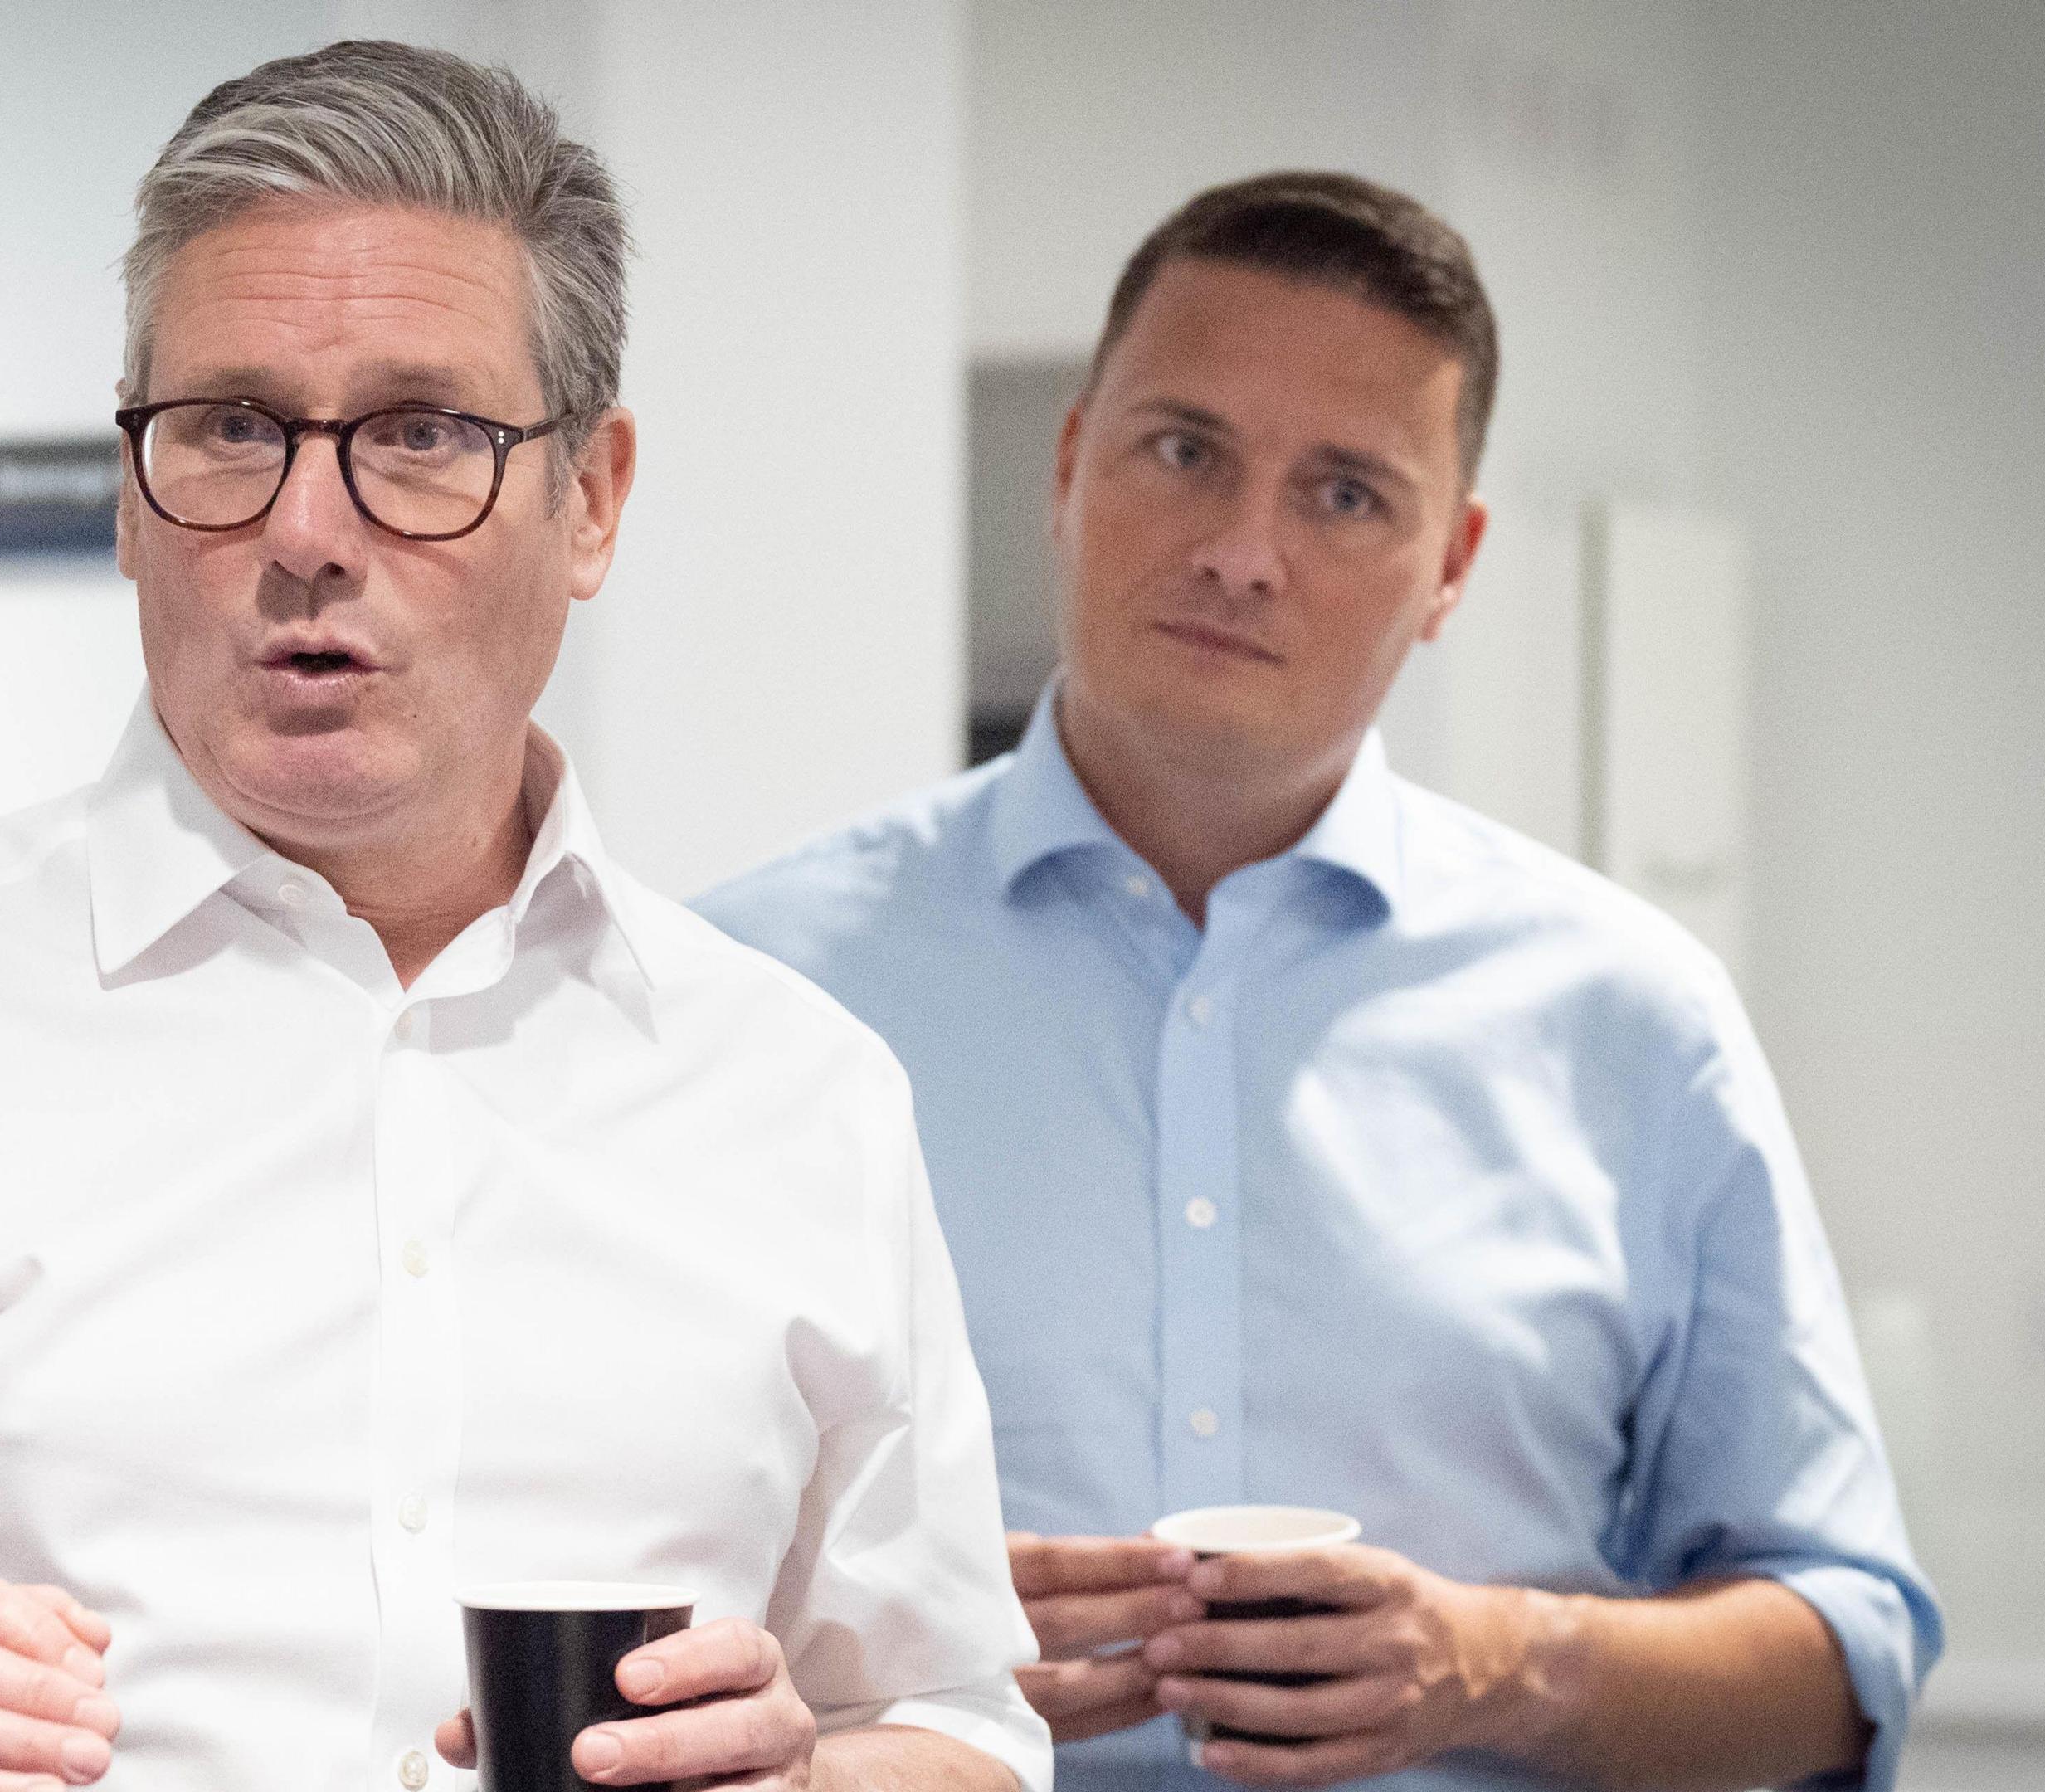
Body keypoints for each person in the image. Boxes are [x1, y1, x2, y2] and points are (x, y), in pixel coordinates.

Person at [0, 40, 1043, 1792]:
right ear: (128, 488)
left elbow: (954, 1720)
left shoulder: (800, 1092)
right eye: (229, 427)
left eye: (420, 435)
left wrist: (812, 1784)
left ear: (593, 499)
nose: (305, 529)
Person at [699, 171, 1940, 1791]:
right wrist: (876, 1652)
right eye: (1185, 450)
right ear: (1071, 467)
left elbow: (1844, 1661)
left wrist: (1503, 1664)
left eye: (1346, 493)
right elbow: (539, 1576)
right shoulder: (749, 993)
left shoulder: (1633, 1023)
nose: (1241, 552)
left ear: (1451, 567)